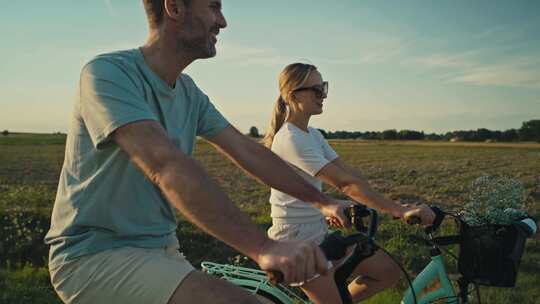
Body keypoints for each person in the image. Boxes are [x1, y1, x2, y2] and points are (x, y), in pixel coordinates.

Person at [44, 1, 350, 303]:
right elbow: (165, 165)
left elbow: (249, 152)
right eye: (213, 7)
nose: (222, 21)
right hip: (94, 256)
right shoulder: (108, 73)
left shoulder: (189, 92)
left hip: (162, 251)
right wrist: (263, 247)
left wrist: (322, 202)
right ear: (175, 8)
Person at [262, 63, 436, 304]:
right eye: (315, 89)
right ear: (292, 94)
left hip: (316, 230)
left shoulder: (312, 134)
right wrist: (399, 210)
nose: (323, 95)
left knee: (387, 271)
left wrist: (392, 204)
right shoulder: (290, 138)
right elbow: (344, 184)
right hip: (294, 240)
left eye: (323, 87)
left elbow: (349, 174)